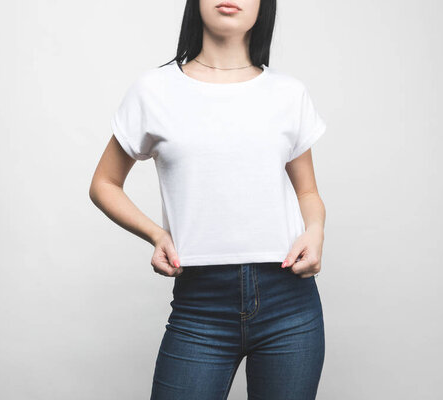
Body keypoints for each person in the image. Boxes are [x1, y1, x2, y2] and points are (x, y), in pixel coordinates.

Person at [89, 0, 327, 398]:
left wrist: (315, 231)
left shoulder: (288, 93)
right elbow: (104, 183)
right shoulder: (155, 90)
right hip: (200, 305)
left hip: (290, 301)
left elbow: (307, 191)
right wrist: (155, 234)